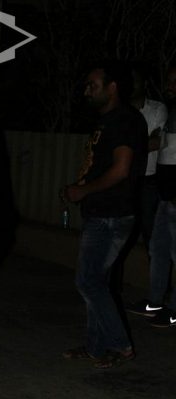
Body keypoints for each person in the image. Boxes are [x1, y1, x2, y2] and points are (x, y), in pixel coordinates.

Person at [62, 60, 148, 368]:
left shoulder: (124, 120)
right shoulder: (108, 120)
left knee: (88, 282)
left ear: (112, 88)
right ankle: (97, 347)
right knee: (98, 283)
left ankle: (120, 344)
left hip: (112, 214)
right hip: (102, 211)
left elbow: (121, 169)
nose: (87, 91)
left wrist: (84, 190)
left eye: (93, 85)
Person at [127, 64, 176, 327]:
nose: (169, 86)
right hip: (165, 193)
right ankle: (155, 301)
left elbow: (155, 143)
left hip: (170, 192)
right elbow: (159, 145)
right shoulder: (172, 114)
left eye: (174, 81)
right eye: (168, 81)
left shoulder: (163, 111)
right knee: (158, 248)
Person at [130, 63, 167, 249]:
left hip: (148, 180)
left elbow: (156, 142)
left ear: (144, 83)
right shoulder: (120, 111)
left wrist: (127, 147)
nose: (131, 84)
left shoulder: (157, 109)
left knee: (150, 232)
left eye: (135, 80)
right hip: (124, 178)